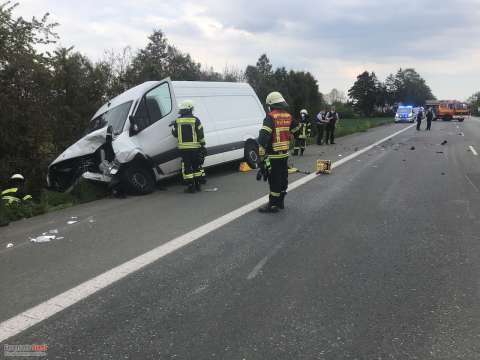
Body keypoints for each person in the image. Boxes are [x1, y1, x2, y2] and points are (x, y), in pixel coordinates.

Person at [257, 91, 299, 213]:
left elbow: (263, 137)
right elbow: (297, 131)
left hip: (273, 155)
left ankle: (272, 205)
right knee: (282, 179)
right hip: (285, 154)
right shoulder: (288, 116)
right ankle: (280, 202)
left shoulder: (270, 117)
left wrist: (262, 151)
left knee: (274, 180)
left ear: (271, 104)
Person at [171, 100, 206, 193]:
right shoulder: (195, 120)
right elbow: (200, 134)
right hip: (195, 148)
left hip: (184, 149)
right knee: (196, 166)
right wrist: (203, 146)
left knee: (187, 167)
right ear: (190, 109)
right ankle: (198, 185)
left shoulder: (178, 121)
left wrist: (173, 126)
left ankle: (191, 187)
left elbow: (175, 134)